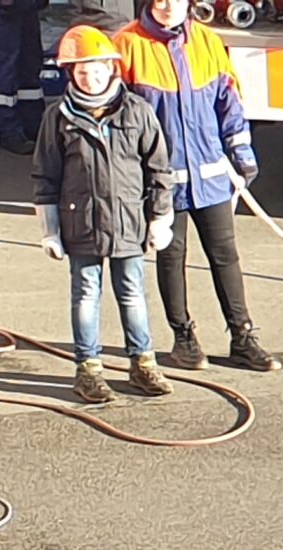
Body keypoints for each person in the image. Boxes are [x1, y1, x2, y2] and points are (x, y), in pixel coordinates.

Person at [116, 0, 278, 372]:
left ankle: (242, 336)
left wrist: (243, 156)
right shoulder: (127, 45)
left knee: (225, 256)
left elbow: (229, 104)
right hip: (161, 182)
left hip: (210, 178)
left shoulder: (207, 42)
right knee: (171, 258)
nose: (167, 6)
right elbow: (122, 123)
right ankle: (184, 339)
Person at [32, 26, 175, 406]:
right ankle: (88, 371)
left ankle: (143, 363)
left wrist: (161, 218)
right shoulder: (57, 118)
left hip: (129, 222)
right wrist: (49, 230)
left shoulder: (138, 112)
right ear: (71, 74)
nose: (90, 77)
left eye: (96, 69)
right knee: (86, 296)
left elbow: (160, 170)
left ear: (112, 68)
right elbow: (46, 176)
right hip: (81, 225)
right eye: (81, 71)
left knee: (133, 296)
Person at [0, 0, 51, 155]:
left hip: (25, 5)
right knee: (7, 65)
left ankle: (32, 125)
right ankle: (9, 132)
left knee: (29, 62)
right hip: (3, 6)